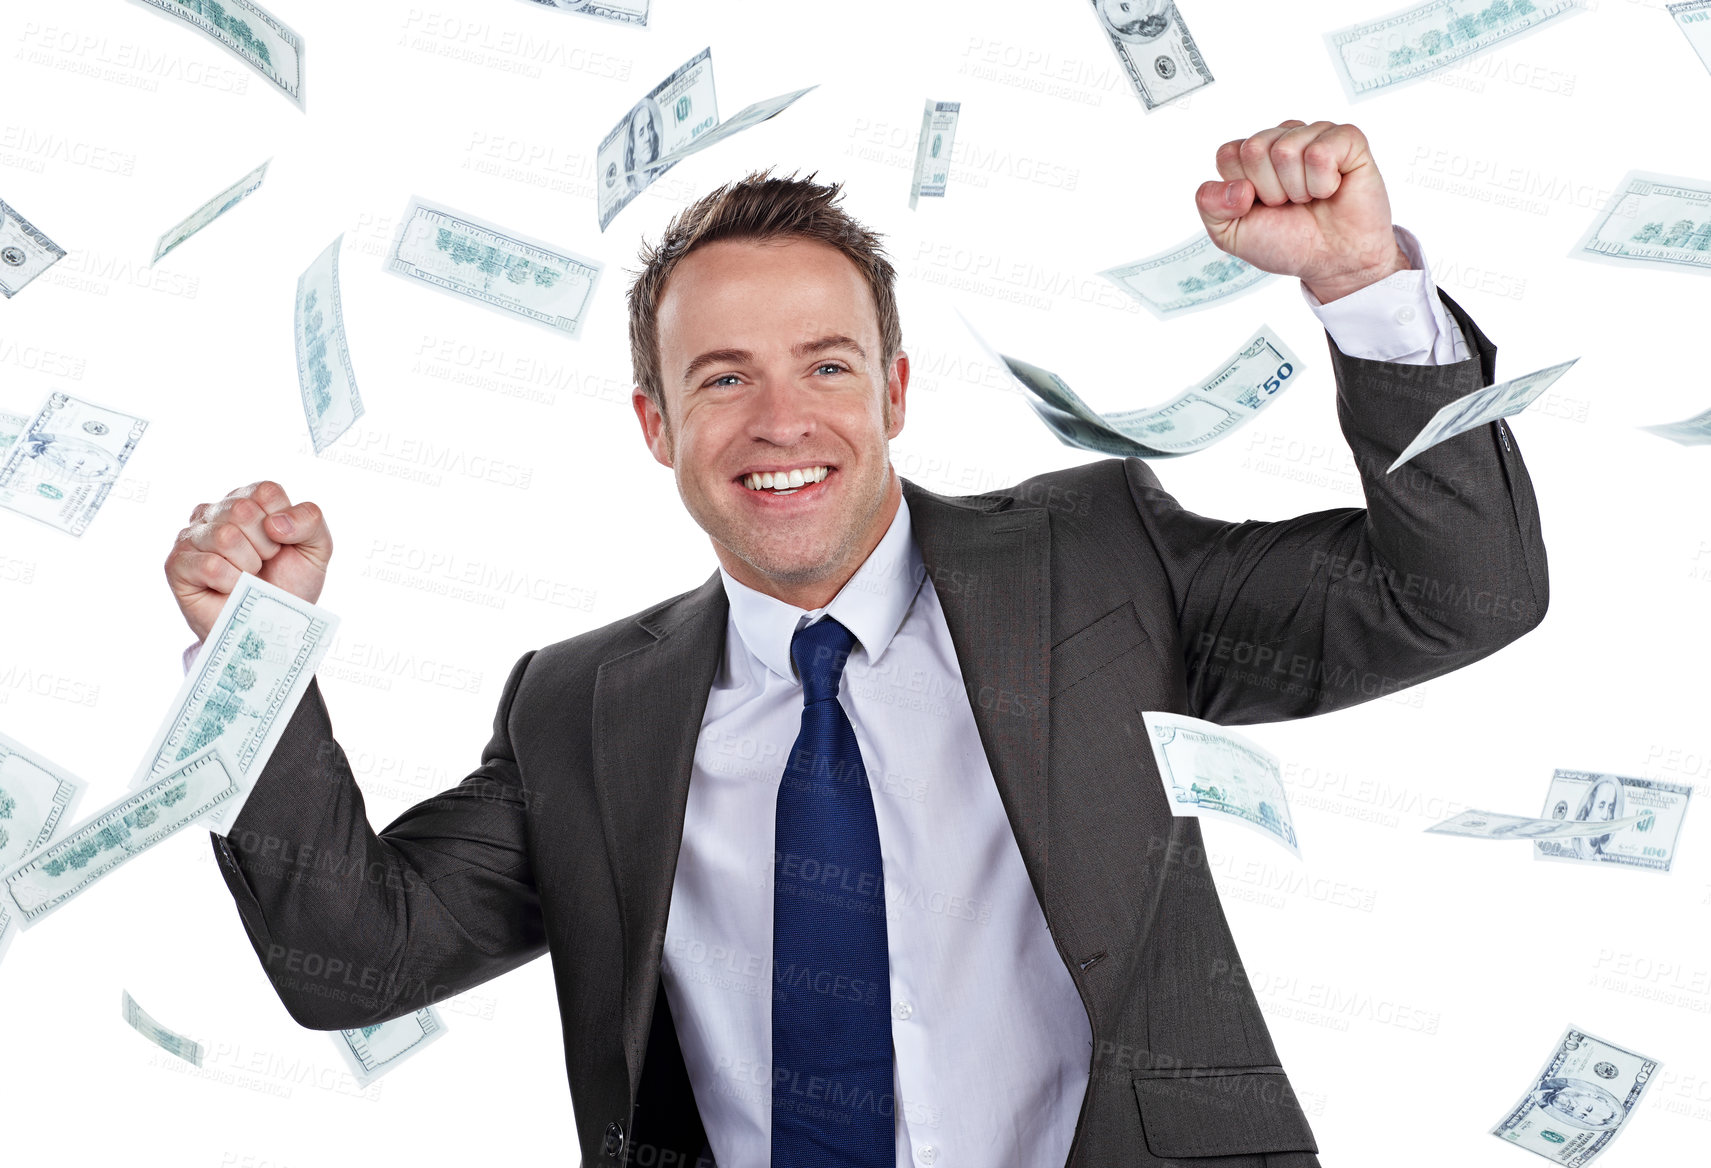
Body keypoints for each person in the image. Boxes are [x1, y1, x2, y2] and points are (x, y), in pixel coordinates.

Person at [164, 119, 1549, 1167]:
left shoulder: (1097, 561)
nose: (783, 423)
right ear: (656, 427)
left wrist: (1361, 286)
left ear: (891, 390)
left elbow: (1461, 596)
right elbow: (354, 960)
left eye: (826, 366)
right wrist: (250, 661)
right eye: (723, 378)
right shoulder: (582, 706)